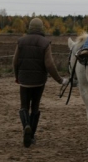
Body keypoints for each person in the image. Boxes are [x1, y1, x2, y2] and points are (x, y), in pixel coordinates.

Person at [12, 17, 68, 148]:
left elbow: (15, 61)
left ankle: (26, 126)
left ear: (30, 28)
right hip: (39, 81)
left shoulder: (21, 41)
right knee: (35, 107)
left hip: (24, 80)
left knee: (24, 106)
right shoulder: (45, 43)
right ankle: (31, 136)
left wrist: (17, 76)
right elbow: (49, 64)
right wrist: (60, 80)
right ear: (42, 28)